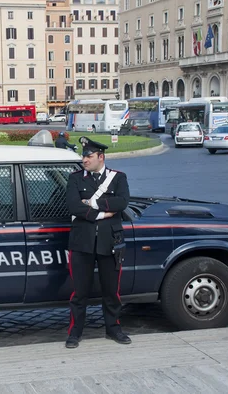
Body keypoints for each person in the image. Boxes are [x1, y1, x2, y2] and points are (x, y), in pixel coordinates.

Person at [65, 136, 131, 349]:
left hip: (109, 242)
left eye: (89, 156)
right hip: (82, 243)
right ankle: (75, 333)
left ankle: (114, 329)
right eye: (83, 155)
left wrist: (92, 204)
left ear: (100, 157)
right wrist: (103, 213)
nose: (84, 159)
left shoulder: (118, 178)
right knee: (79, 292)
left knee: (112, 291)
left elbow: (122, 202)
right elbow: (74, 206)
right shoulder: (75, 178)